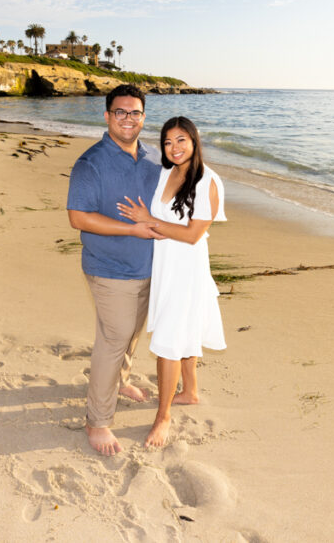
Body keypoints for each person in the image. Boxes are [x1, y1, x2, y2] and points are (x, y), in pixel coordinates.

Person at [117, 116, 227, 448]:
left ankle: (163, 417)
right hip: (165, 266)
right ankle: (190, 392)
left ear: (194, 141)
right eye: (167, 142)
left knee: (168, 341)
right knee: (182, 333)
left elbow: (193, 235)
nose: (174, 148)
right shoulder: (166, 172)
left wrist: (150, 220)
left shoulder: (208, 182)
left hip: (186, 271)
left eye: (181, 140)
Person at [66, 84, 163, 456]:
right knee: (114, 339)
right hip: (108, 267)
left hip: (148, 265)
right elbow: (78, 217)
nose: (128, 119)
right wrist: (131, 229)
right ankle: (97, 421)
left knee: (132, 333)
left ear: (143, 117)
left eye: (135, 112)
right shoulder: (90, 163)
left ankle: (120, 381)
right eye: (120, 112)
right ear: (107, 116)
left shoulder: (154, 157)